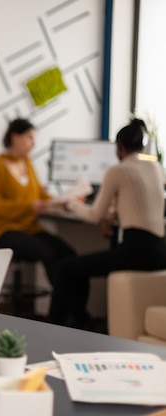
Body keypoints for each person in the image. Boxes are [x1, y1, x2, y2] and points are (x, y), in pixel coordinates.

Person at [48, 118, 166, 329]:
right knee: (77, 267)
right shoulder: (155, 166)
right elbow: (132, 203)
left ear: (119, 147)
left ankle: (52, 327)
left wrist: (71, 204)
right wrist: (110, 217)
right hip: (160, 251)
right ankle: (79, 321)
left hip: (137, 251)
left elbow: (94, 215)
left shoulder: (117, 171)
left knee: (66, 267)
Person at [0, 118, 76, 288]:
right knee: (48, 254)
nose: (33, 144)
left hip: (29, 228)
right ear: (15, 137)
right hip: (3, 230)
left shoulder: (28, 163)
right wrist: (29, 206)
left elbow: (40, 193)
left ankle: (76, 310)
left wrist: (61, 201)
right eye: (30, 138)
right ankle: (60, 311)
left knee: (69, 254)